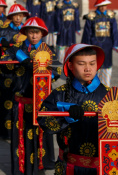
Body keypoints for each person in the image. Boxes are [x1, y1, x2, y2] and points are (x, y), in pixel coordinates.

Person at [38, 44, 109, 175]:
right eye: (81, 64)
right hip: (68, 166)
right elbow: (44, 122)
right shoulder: (60, 94)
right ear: (70, 66)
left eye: (92, 63)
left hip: (100, 168)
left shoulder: (109, 95)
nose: (88, 69)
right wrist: (66, 114)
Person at [1, 17, 56, 174]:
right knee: (21, 136)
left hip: (42, 102)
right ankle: (20, 168)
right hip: (22, 102)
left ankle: (43, 164)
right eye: (31, 32)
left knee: (42, 135)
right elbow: (4, 66)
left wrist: (38, 68)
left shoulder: (48, 50)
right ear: (25, 33)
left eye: (37, 32)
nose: (34, 36)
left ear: (42, 33)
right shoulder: (16, 49)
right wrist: (14, 58)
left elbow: (56, 72)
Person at [0, 3, 29, 140]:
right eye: (16, 15)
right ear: (11, 16)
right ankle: (4, 131)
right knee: (5, 101)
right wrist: (1, 41)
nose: (18, 18)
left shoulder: (27, 32)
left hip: (21, 72)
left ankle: (19, 129)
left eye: (21, 15)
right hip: (5, 72)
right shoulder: (2, 30)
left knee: (20, 102)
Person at [81, 0, 118, 87]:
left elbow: (114, 31)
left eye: (105, 5)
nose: (103, 7)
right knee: (93, 65)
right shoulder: (91, 17)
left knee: (106, 65)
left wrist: (115, 44)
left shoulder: (110, 16)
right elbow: (87, 33)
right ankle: (93, 86)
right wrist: (86, 47)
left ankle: (105, 86)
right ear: (97, 6)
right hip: (94, 46)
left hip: (107, 45)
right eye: (101, 5)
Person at [55, 0, 81, 64]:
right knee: (62, 43)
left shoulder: (74, 6)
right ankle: (60, 60)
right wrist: (58, 28)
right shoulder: (60, 6)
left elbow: (76, 17)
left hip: (71, 27)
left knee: (70, 43)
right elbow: (58, 18)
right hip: (62, 27)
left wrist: (77, 28)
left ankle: (70, 59)